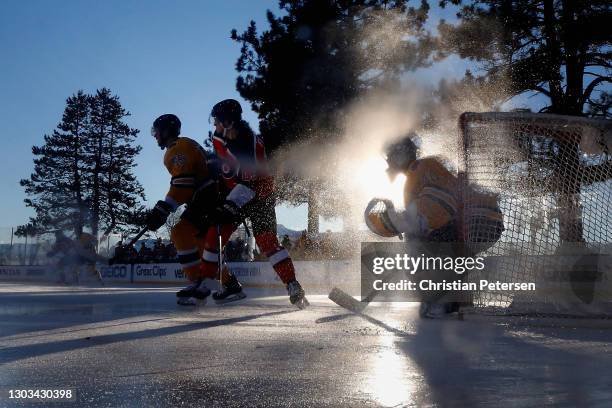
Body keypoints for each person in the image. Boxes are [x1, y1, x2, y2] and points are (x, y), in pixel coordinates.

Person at [364, 135, 504, 318]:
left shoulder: (420, 168)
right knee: (448, 258)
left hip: (476, 220)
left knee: (419, 256)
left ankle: (441, 302)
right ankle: (458, 303)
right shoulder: (426, 167)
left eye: (390, 156)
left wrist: (405, 225)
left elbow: (438, 207)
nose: (388, 162)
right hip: (485, 221)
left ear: (401, 155)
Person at [204, 99, 308, 308]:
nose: (214, 125)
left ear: (228, 122)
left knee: (267, 242)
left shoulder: (249, 145)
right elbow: (223, 170)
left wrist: (230, 204)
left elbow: (250, 183)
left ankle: (292, 284)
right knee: (212, 236)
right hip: (236, 192)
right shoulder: (218, 137)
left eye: (217, 121)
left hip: (260, 195)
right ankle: (224, 285)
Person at [147, 113, 245, 306]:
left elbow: (184, 185)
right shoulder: (184, 144)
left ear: (166, 131)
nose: (155, 136)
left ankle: (197, 282)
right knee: (202, 246)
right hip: (208, 196)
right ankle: (230, 284)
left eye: (157, 132)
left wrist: (165, 206)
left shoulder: (176, 150)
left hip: (206, 197)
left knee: (181, 232)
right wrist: (167, 206)